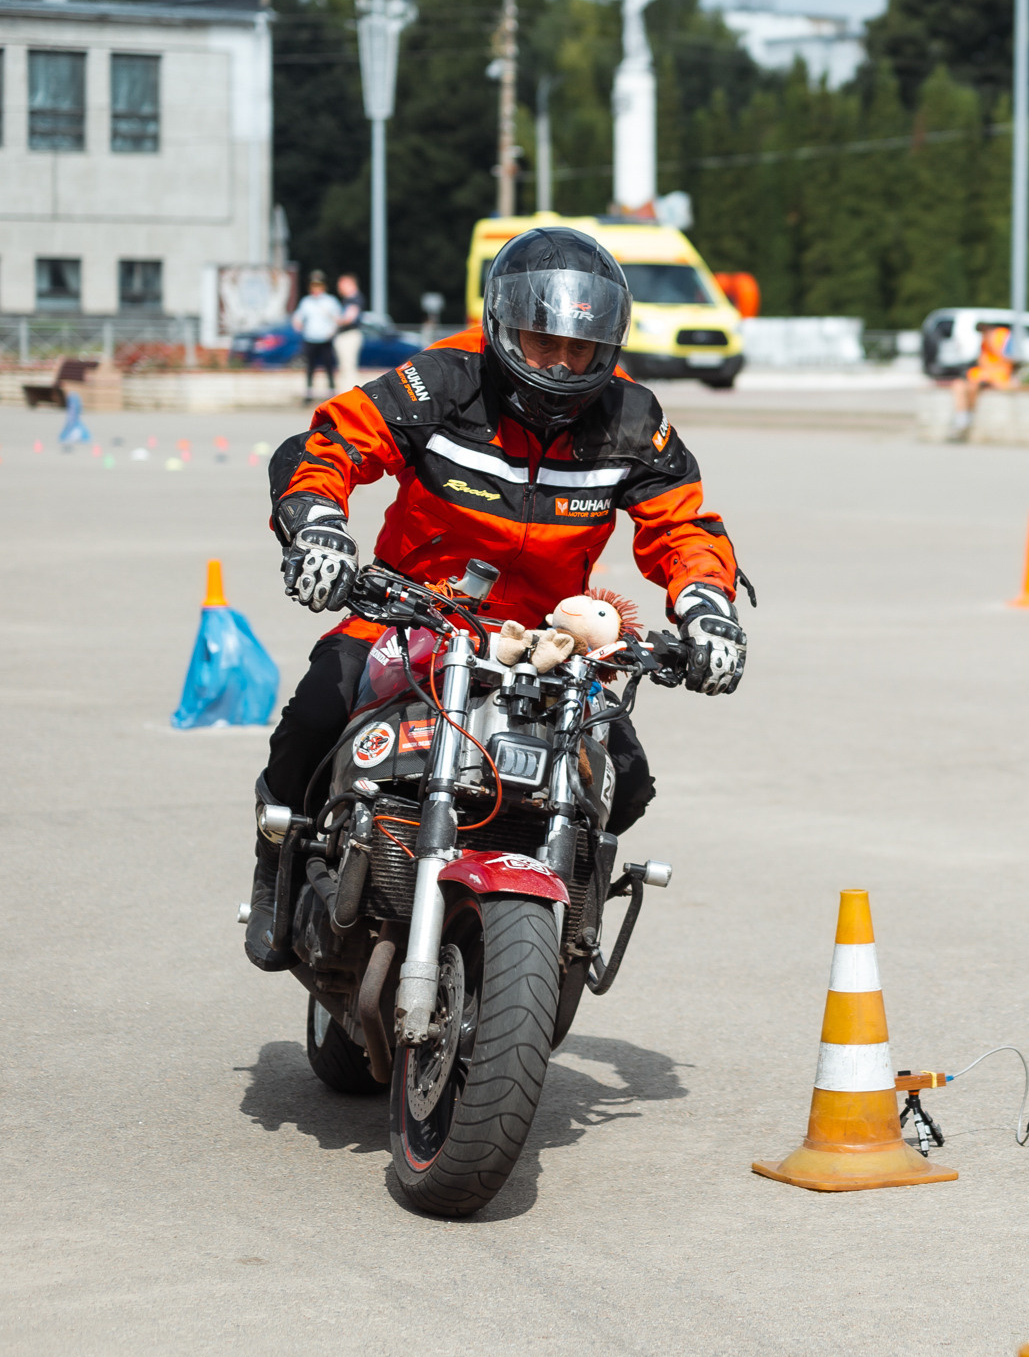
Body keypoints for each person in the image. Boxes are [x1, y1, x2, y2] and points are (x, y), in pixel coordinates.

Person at [244, 226, 750, 970]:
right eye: (542, 340)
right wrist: (316, 528)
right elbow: (334, 445)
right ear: (503, 325)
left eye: (580, 348)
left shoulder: (631, 419)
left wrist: (708, 607)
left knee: (627, 780)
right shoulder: (444, 379)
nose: (561, 361)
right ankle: (278, 861)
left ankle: (557, 922)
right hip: (409, 606)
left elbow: (684, 526)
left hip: (547, 639)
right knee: (316, 711)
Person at [291, 271, 342, 401]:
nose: (316, 289)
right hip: (311, 338)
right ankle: (309, 393)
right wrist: (297, 324)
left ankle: (331, 392)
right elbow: (298, 317)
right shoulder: (306, 302)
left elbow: (337, 318)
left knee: (329, 366)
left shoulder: (330, 301)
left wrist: (332, 331)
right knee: (310, 367)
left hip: (325, 338)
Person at [333, 272, 367, 388]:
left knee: (348, 367)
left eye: (341, 284)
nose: (339, 287)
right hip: (348, 335)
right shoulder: (350, 299)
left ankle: (349, 395)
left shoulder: (354, 299)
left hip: (349, 335)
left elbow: (349, 318)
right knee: (346, 367)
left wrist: (334, 320)